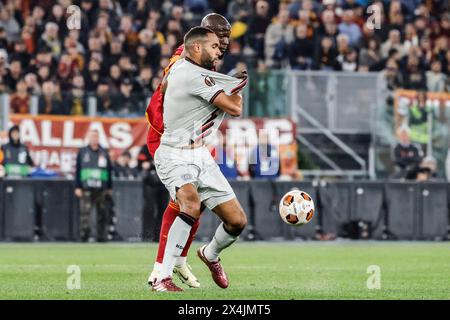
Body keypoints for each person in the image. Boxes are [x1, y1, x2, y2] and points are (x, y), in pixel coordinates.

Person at [151, 26, 248, 292]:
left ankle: (210, 254)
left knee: (237, 221)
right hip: (175, 153)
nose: (219, 52)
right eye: (215, 47)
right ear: (196, 47)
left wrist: (232, 84)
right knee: (190, 204)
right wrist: (237, 86)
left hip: (200, 154)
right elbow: (234, 107)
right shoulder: (191, 74)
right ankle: (162, 277)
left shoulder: (196, 72)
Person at [74, 130, 113, 242]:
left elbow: (109, 170)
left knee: (102, 213)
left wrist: (110, 187)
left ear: (98, 138)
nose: (94, 139)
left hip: (101, 188)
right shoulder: (82, 152)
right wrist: (77, 186)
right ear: (88, 138)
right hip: (86, 187)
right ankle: (84, 236)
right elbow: (78, 169)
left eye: (96, 136)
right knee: (85, 213)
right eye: (92, 136)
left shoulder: (104, 152)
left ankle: (101, 236)